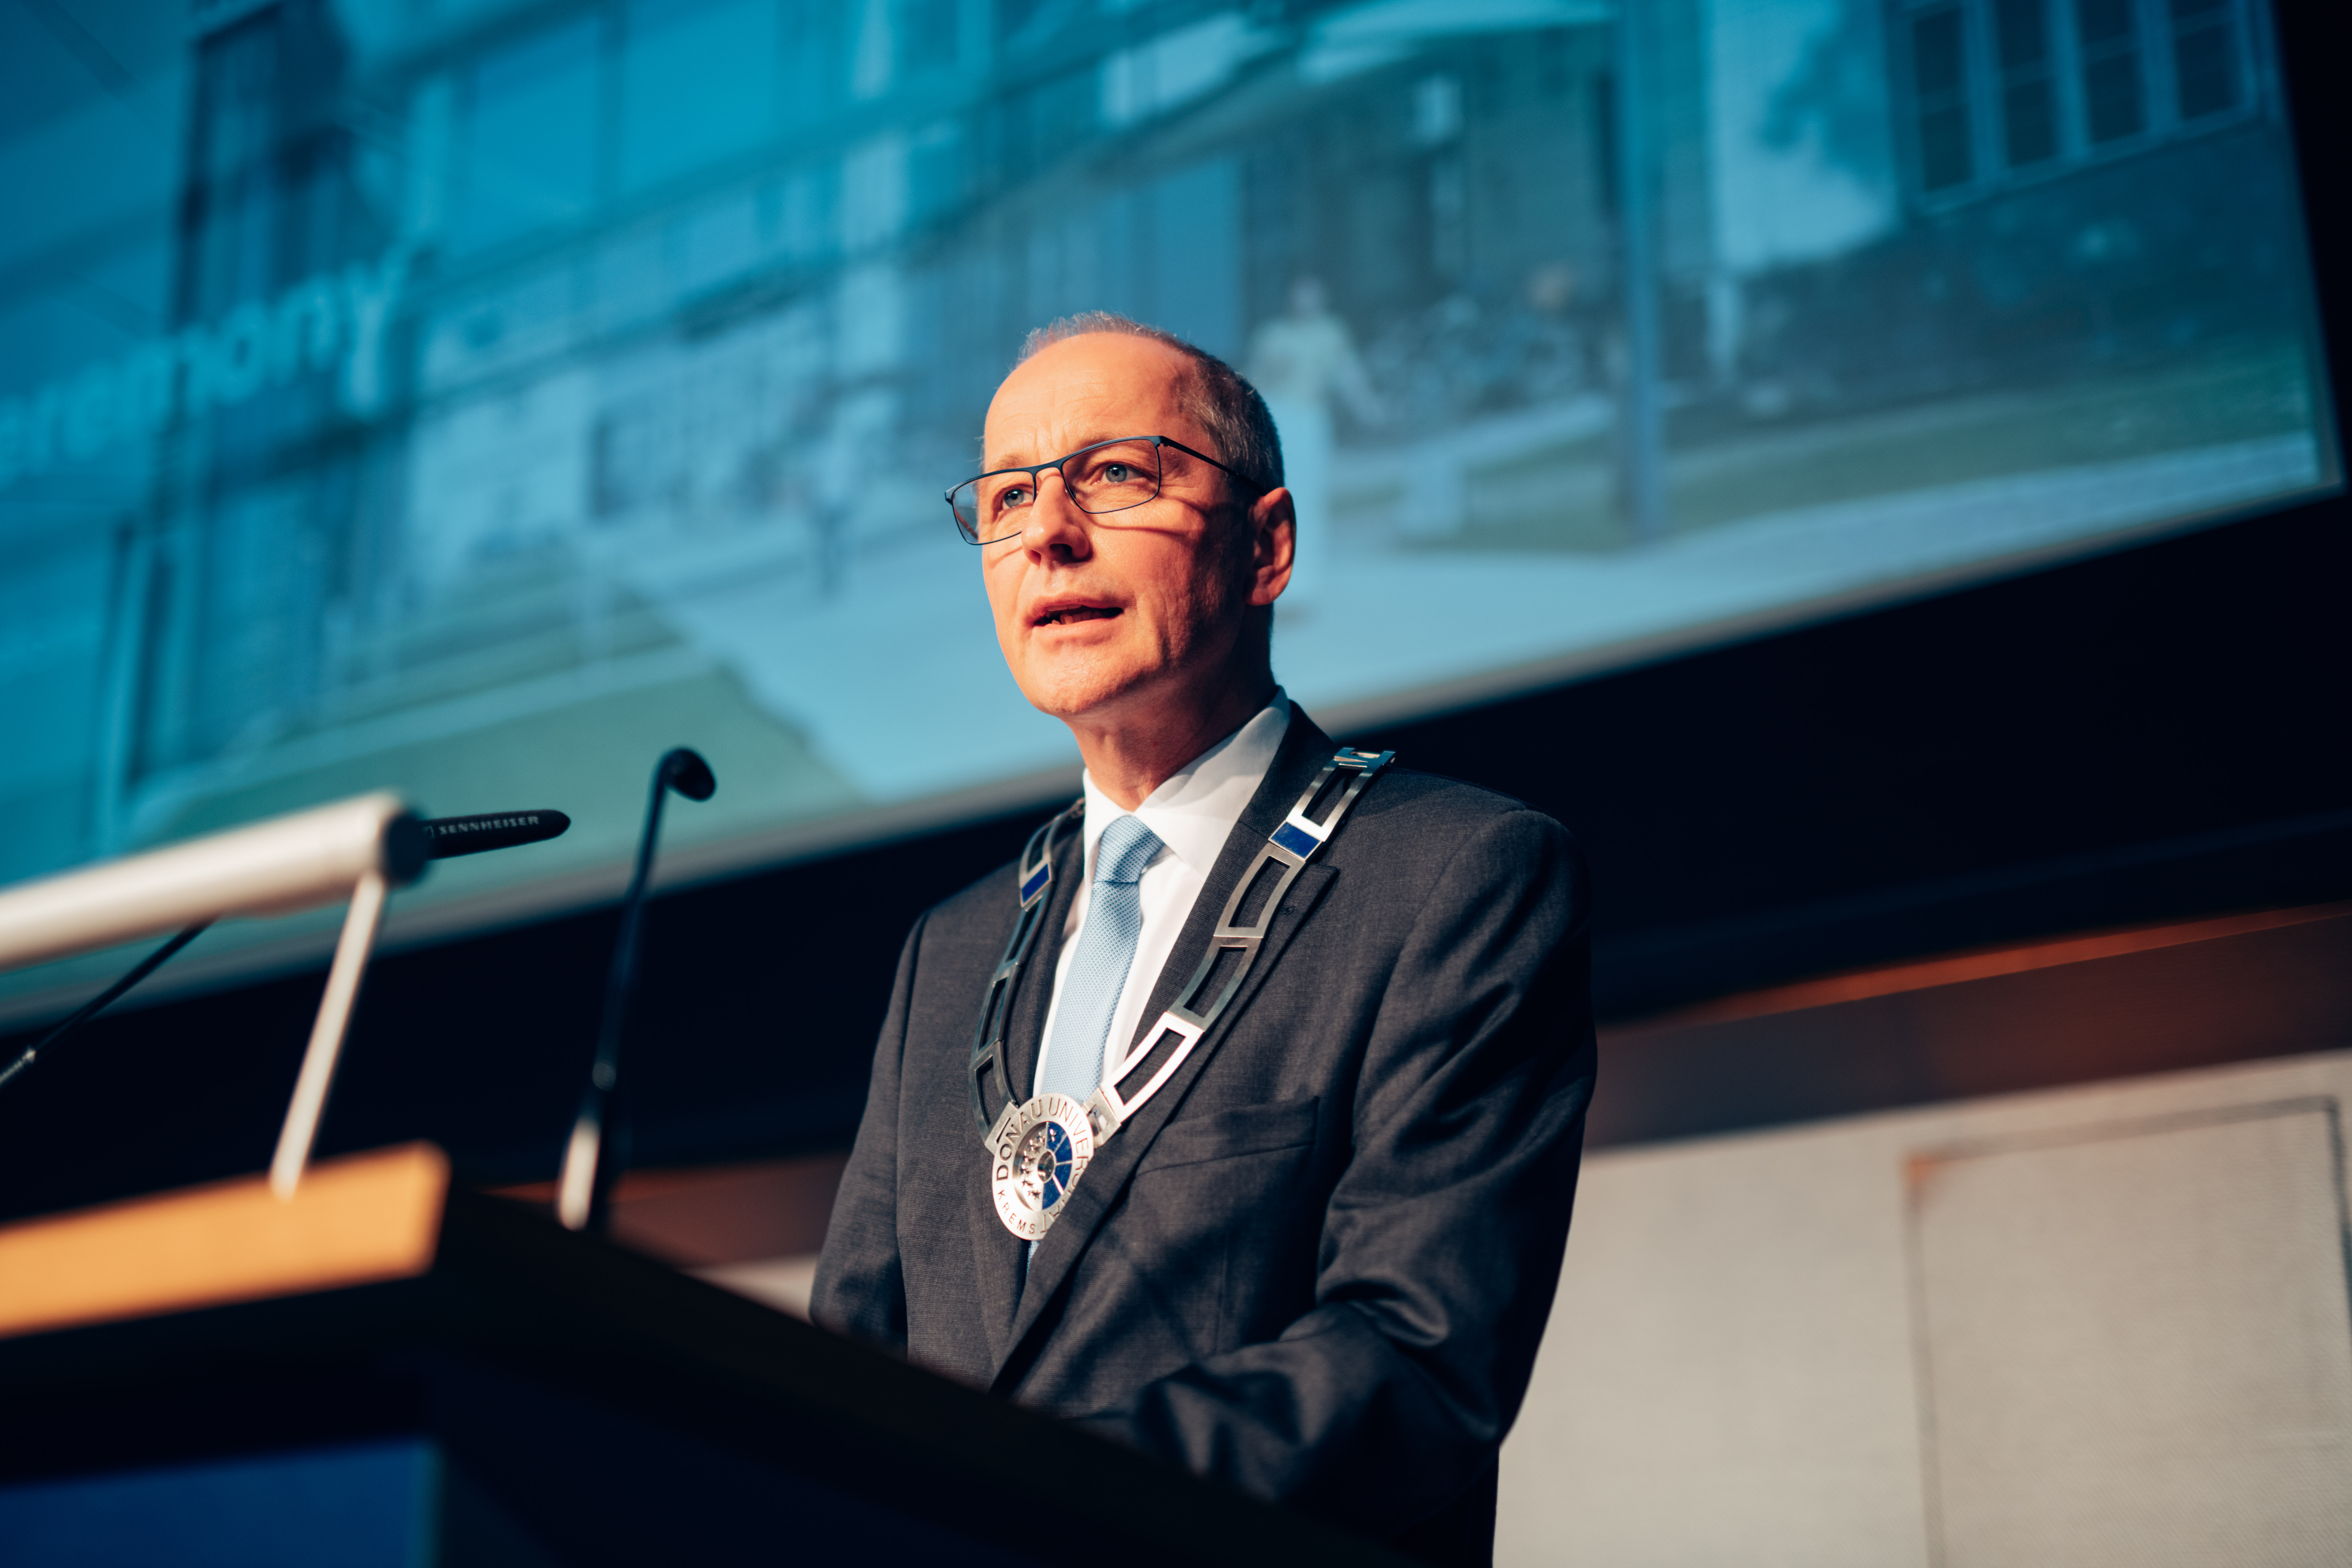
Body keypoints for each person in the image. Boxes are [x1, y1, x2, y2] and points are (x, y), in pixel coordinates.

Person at [810, 312, 1595, 1567]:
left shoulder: (1454, 877)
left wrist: (1022, 1497)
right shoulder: (946, 951)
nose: (1047, 533)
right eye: (1007, 498)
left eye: (1115, 475)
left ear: (1266, 547)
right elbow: (846, 1375)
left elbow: (1418, 1357)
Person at [1244, 277, 1381, 612]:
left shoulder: (1330, 334)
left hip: (1310, 418)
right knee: (1277, 495)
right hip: (1279, 417)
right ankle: (1270, 578)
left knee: (1308, 499)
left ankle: (1303, 585)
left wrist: (1371, 409)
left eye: (1313, 294)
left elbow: (1348, 375)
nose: (1307, 301)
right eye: (1301, 294)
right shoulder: (1274, 335)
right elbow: (1256, 379)